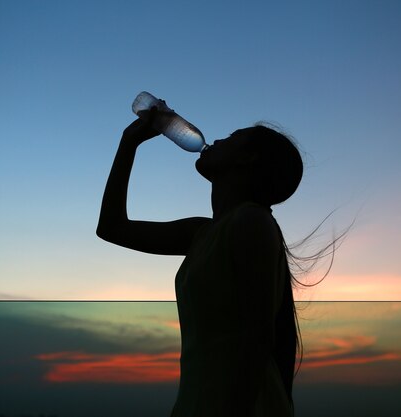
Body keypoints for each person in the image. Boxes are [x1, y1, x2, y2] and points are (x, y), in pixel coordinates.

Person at [97, 111, 303, 417]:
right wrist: (130, 142)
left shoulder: (252, 221)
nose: (217, 140)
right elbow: (111, 228)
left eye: (231, 138)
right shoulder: (202, 233)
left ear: (246, 159)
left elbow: (257, 338)